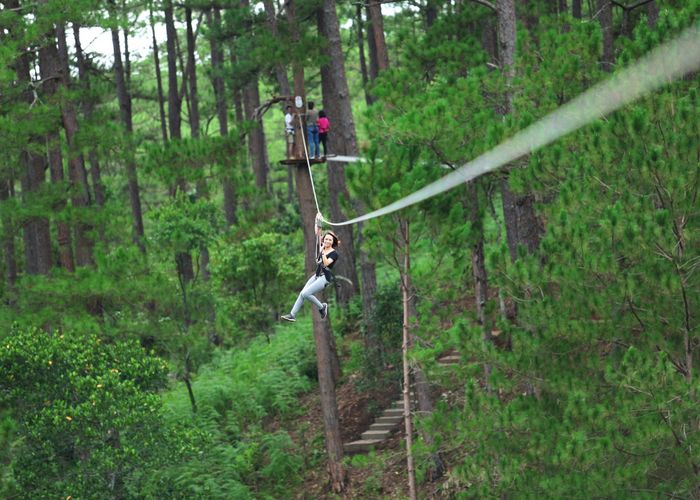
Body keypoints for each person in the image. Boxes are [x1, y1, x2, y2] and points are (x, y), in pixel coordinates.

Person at [281, 228, 340, 322]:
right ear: (323, 239)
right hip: (317, 275)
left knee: (306, 293)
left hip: (325, 278)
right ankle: (292, 315)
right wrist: (318, 221)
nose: (327, 241)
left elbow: (326, 263)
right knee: (302, 293)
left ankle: (322, 307)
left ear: (333, 242)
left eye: (330, 240)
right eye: (326, 239)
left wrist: (323, 252)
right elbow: (317, 232)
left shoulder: (334, 253)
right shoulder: (321, 247)